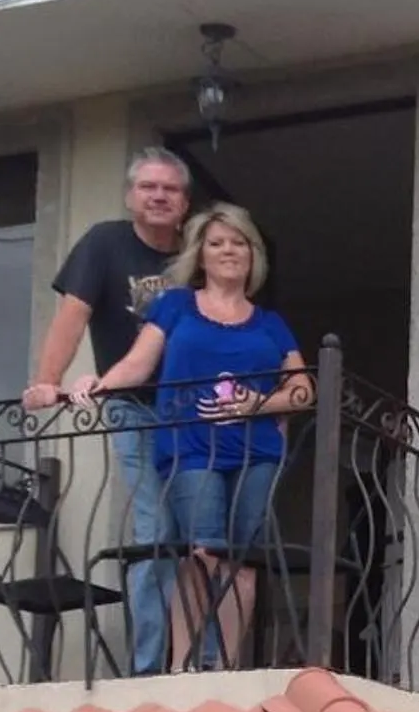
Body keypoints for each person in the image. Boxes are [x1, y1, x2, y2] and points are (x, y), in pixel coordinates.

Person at [70, 204, 310, 671]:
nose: (227, 251)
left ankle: (221, 666)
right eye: (216, 242)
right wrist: (94, 384)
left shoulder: (269, 322)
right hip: (190, 446)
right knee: (202, 553)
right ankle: (182, 668)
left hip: (256, 449)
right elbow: (139, 364)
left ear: (252, 254)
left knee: (242, 560)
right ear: (200, 254)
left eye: (238, 242)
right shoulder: (175, 305)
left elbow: (302, 390)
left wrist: (257, 404)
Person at [22, 147, 193, 675]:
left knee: (201, 536)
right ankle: (149, 665)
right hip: (133, 408)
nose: (159, 196)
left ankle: (195, 660)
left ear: (185, 203)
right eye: (149, 187)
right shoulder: (105, 243)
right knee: (154, 530)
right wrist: (47, 383)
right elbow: (73, 316)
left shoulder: (198, 251)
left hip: (197, 413)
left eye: (170, 189)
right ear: (130, 196)